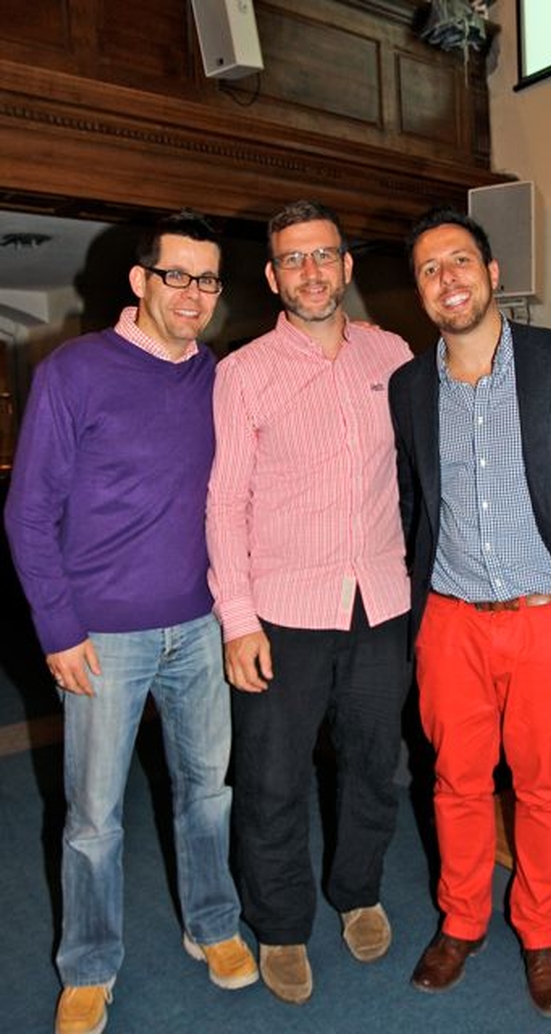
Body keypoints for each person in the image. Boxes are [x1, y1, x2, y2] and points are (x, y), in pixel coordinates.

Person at [4, 210, 258, 1034]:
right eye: (176, 275)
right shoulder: (75, 371)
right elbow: (28, 512)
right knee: (92, 818)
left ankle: (213, 925)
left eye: (208, 278)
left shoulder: (214, 375)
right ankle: (88, 965)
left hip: (200, 628)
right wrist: (56, 628)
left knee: (207, 794)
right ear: (140, 280)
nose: (193, 294)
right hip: (100, 637)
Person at [388, 206, 551, 1017]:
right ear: (419, 289)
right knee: (455, 781)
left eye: (459, 261)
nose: (446, 279)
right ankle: (460, 921)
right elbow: (411, 493)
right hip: (452, 619)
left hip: (549, 618)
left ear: (493, 275)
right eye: (429, 269)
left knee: (543, 786)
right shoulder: (409, 385)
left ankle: (540, 932)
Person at [206, 199, 413, 1004]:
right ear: (271, 276)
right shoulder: (243, 373)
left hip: (381, 603)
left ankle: (358, 892)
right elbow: (223, 504)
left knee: (372, 765)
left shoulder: (392, 353)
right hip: (284, 613)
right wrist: (238, 620)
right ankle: (283, 924)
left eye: (324, 255)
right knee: (272, 777)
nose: (312, 272)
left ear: (347, 265)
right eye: (293, 259)